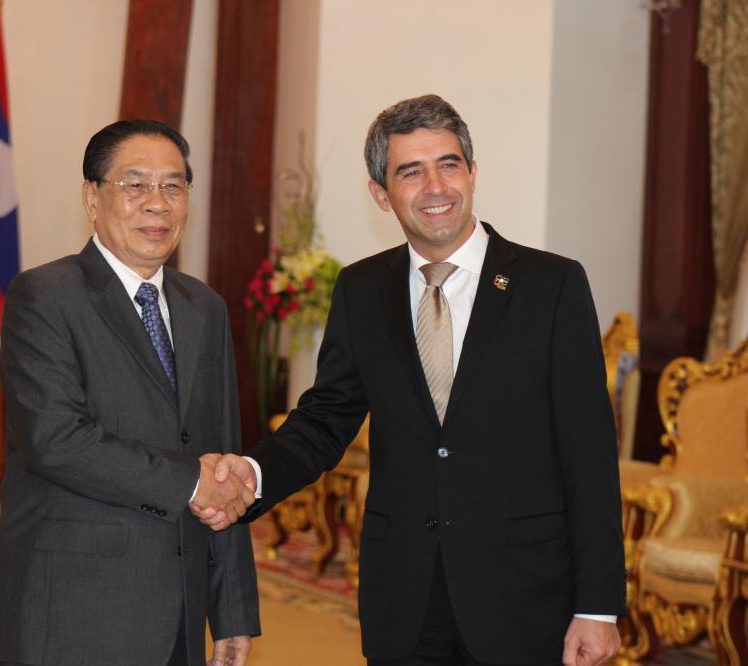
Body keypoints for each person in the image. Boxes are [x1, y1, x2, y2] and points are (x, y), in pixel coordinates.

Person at [195, 95, 625, 665]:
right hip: (405, 596)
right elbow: (325, 419)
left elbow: (589, 454)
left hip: (524, 595)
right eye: (411, 172)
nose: (436, 187)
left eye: (448, 164)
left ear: (472, 172)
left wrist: (598, 606)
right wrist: (251, 475)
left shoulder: (552, 285)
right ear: (381, 193)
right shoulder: (362, 289)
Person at [0, 119, 260, 666]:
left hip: (178, 613)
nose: (157, 203)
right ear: (92, 197)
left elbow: (222, 458)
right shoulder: (44, 296)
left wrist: (232, 610)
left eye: (173, 186)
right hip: (71, 609)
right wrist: (190, 481)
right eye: (135, 185)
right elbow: (56, 441)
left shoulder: (205, 307)